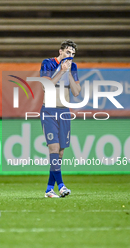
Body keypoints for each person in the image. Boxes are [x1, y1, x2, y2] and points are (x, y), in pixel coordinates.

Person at [40, 39, 81, 198]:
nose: (70, 56)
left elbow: (77, 92)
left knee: (61, 153)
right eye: (68, 52)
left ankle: (49, 189)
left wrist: (68, 72)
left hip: (64, 112)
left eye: (73, 54)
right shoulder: (48, 64)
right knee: (54, 149)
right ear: (60, 51)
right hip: (49, 111)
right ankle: (62, 186)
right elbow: (45, 86)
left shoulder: (73, 67)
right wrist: (62, 71)